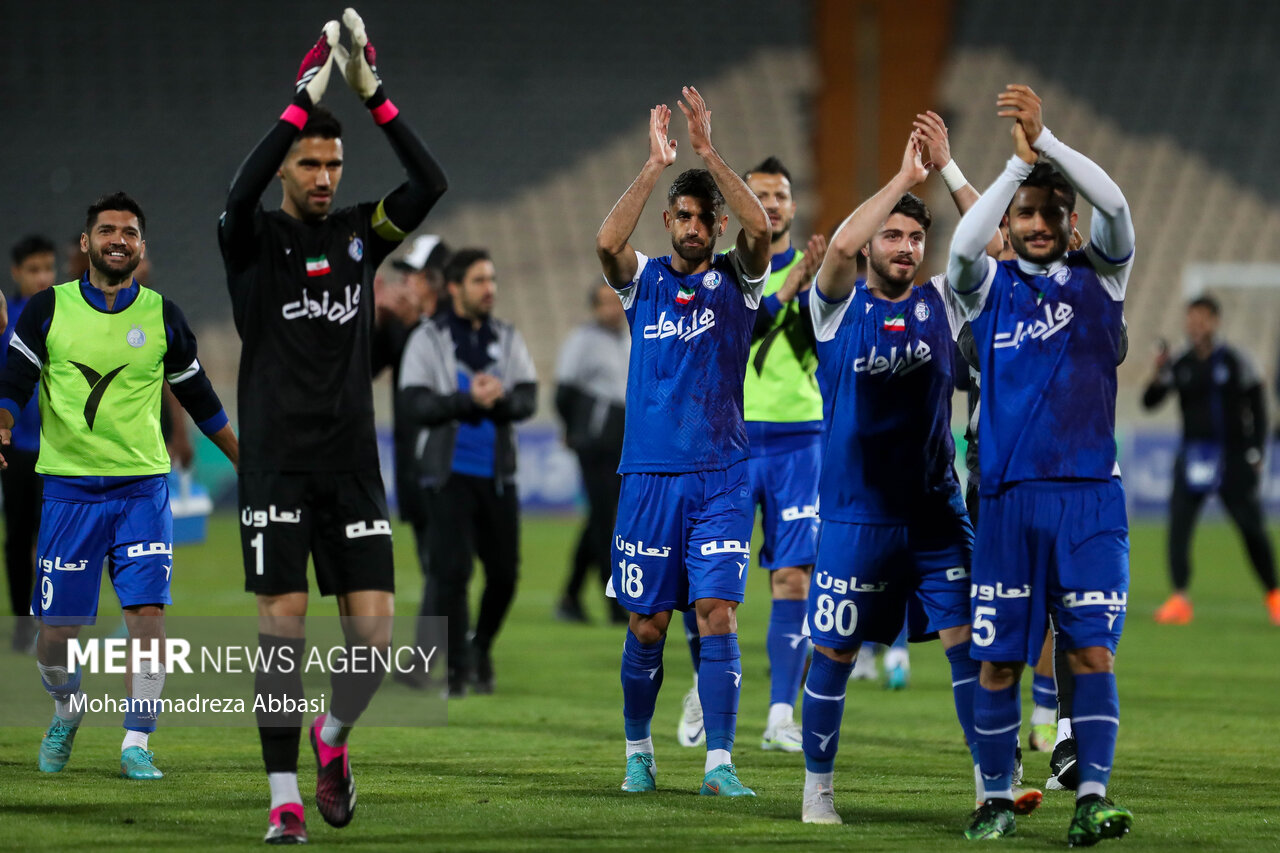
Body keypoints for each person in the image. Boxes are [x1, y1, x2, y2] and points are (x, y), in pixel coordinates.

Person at [218, 11, 447, 843]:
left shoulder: (359, 236)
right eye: (311, 162)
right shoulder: (249, 239)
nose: (324, 176)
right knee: (280, 632)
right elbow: (238, 192)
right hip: (276, 467)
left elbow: (428, 186)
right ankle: (283, 796)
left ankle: (333, 738)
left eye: (334, 163)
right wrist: (298, 97)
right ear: (287, 165)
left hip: (353, 463)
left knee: (375, 641)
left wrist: (373, 95)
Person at [797, 116, 1033, 824]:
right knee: (834, 652)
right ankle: (818, 791)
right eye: (893, 235)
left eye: (914, 237)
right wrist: (904, 177)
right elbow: (836, 246)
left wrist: (951, 170)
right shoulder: (835, 309)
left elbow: (998, 249)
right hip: (855, 517)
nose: (905, 247)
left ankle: (990, 786)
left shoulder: (944, 299)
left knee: (971, 645)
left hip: (935, 515)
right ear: (874, 241)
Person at [947, 85, 1135, 845]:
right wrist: (1013, 170)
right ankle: (995, 799)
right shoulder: (984, 289)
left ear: (1070, 221)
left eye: (1052, 212)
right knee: (999, 664)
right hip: (1010, 500)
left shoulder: (1104, 277)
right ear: (1012, 222)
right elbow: (962, 246)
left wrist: (1048, 144)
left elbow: (1118, 208)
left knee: (1091, 651)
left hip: (1091, 498)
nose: (1037, 223)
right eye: (1026, 214)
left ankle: (1091, 797)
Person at [0, 192, 238, 780]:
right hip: (69, 494)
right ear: (85, 244)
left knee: (147, 619)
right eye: (107, 230)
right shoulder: (45, 309)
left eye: (129, 232)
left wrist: (244, 460)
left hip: (141, 493)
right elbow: (13, 382)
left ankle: (137, 740)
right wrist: (2, 428)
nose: (118, 239)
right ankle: (67, 706)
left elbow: (199, 395)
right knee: (54, 639)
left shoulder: (163, 316)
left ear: (141, 247)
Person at [596, 88, 770, 797]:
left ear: (717, 224)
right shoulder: (644, 286)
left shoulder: (739, 281)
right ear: (669, 220)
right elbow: (607, 243)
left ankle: (719, 761)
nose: (695, 227)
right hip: (648, 478)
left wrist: (707, 154)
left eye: (706, 218)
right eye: (684, 215)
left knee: (716, 611)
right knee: (647, 623)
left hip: (723, 475)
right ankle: (639, 751)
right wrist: (654, 164)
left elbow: (761, 227)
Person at [398, 248, 537, 697]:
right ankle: (457, 669)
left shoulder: (508, 337)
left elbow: (529, 399)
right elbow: (413, 404)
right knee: (453, 573)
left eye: (492, 280)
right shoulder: (428, 338)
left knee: (505, 574)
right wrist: (466, 401)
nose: (489, 289)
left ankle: (481, 647)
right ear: (454, 287)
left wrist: (497, 400)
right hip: (447, 476)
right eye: (479, 280)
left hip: (497, 476)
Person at [1144, 295, 1278, 625]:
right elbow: (1151, 402)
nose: (1195, 324)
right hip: (1193, 456)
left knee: (1251, 528)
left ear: (1215, 321)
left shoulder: (1235, 360)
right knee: (1179, 527)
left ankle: (1274, 594)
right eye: (1191, 318)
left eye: (1201, 318)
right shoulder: (1182, 363)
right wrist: (1159, 372)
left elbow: (1258, 405)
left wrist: (1256, 449)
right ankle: (1179, 598)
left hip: (1232, 456)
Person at [375, 233, 451, 691]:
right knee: (436, 565)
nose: (407, 283)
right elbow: (362, 366)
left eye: (416, 275)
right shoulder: (406, 328)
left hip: (447, 465)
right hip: (414, 465)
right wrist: (377, 318)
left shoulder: (454, 328)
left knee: (442, 565)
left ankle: (430, 658)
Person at [554, 282, 629, 625]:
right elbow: (564, 390)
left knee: (600, 518)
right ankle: (614, 602)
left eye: (616, 301)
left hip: (623, 438)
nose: (612, 309)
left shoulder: (629, 335)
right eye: (605, 303)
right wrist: (572, 429)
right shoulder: (582, 340)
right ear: (594, 308)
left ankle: (570, 596)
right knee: (605, 520)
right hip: (594, 440)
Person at [3, 235, 53, 653]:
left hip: (58, 449)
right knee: (18, 538)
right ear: (16, 273)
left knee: (53, 538)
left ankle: (50, 621)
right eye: (34, 270)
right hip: (16, 448)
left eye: (47, 269)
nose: (42, 277)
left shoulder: (64, 314)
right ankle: (23, 621)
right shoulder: (6, 321)